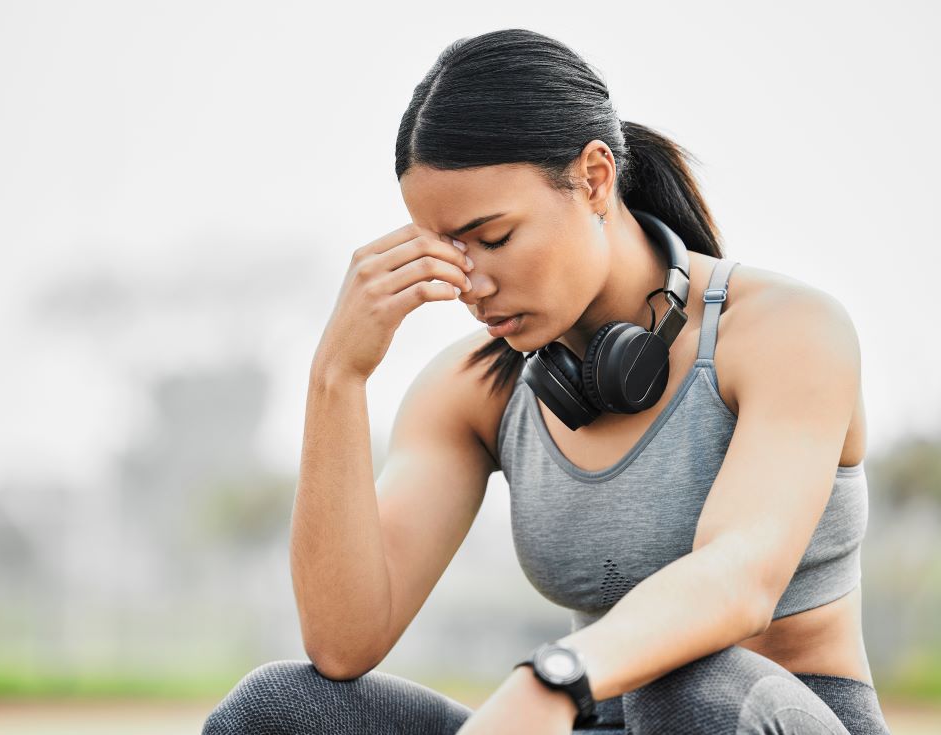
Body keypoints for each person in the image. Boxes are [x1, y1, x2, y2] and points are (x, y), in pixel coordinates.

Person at [203, 28, 891, 734]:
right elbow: (343, 642)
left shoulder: (788, 331)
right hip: (594, 718)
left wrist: (553, 677)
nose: (471, 283)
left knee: (686, 681)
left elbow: (739, 580)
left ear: (595, 178)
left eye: (493, 238)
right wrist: (337, 376)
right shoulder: (474, 391)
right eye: (448, 250)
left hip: (751, 714)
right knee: (282, 710)